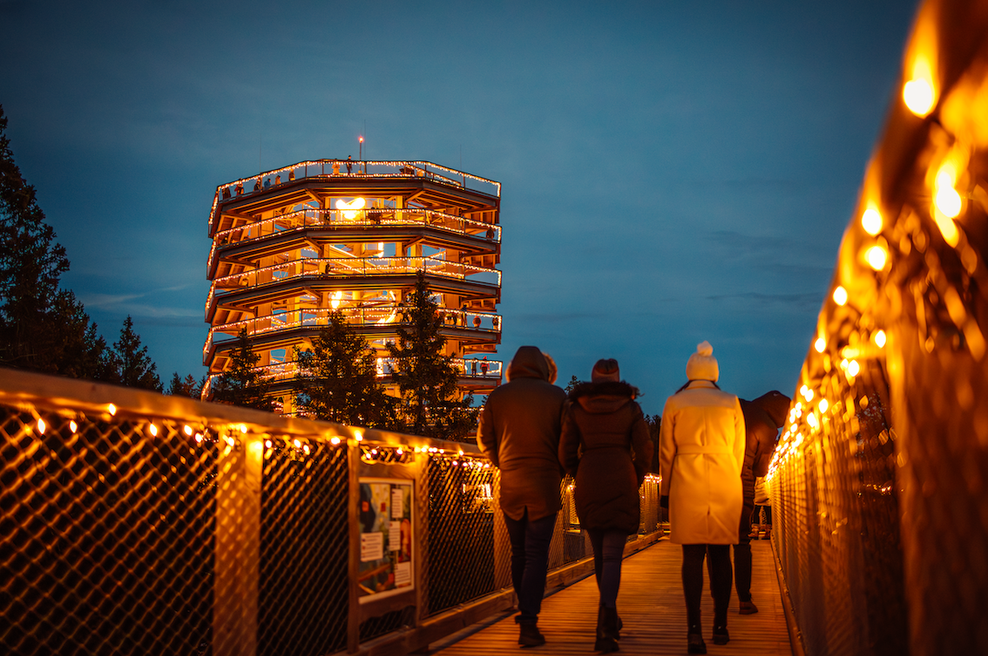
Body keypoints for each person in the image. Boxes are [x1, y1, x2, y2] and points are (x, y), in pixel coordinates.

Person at [559, 359, 652, 653]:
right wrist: (635, 475)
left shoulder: (576, 408)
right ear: (618, 379)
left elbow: (565, 451)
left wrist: (578, 471)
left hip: (589, 479)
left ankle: (608, 618)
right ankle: (606, 625)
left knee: (600, 554)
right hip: (622, 477)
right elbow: (645, 449)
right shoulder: (631, 408)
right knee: (612, 557)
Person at [477, 347, 567, 647]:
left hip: (511, 483)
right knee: (537, 554)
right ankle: (529, 620)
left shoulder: (498, 397)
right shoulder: (557, 397)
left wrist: (502, 462)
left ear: (514, 368)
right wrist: (559, 469)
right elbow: (567, 442)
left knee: (518, 552)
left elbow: (484, 439)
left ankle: (523, 610)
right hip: (544, 483)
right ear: (542, 368)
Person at [659, 341, 745, 654]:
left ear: (689, 372)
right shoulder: (731, 402)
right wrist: (731, 478)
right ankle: (720, 624)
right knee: (722, 555)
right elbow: (739, 451)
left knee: (692, 556)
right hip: (724, 479)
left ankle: (694, 630)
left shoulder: (675, 403)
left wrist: (666, 491)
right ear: (714, 372)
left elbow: (667, 453)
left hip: (687, 480)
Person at [734, 391, 789, 614]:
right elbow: (761, 470)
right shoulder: (768, 429)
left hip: (715, 479)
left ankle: (718, 600)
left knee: (715, 544)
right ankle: (744, 599)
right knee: (741, 542)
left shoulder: (737, 406)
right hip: (742, 485)